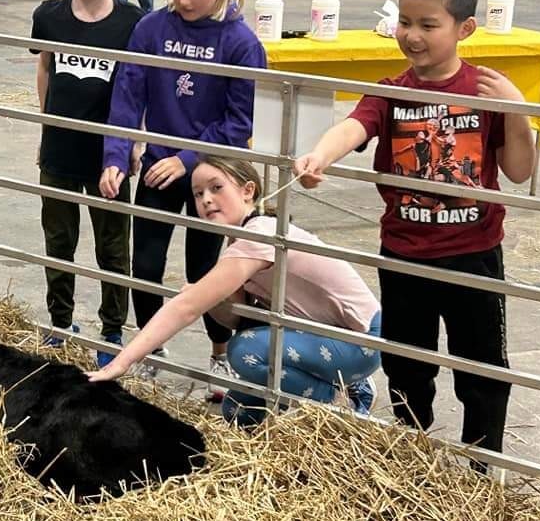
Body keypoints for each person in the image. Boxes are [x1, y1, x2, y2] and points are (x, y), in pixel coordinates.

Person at [292, 0, 536, 466]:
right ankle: (411, 453)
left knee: (482, 365)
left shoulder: (486, 91)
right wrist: (320, 155)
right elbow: (353, 127)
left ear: (465, 28)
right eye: (405, 22)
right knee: (406, 362)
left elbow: (518, 170)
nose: (412, 35)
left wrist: (516, 111)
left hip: (473, 254)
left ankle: (483, 463)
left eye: (428, 25)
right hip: (404, 253)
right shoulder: (390, 91)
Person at [98, 0, 267, 396]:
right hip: (158, 167)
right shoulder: (152, 29)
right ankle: (151, 348)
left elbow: (239, 123)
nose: (185, 0)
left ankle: (222, 353)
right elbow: (127, 97)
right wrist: (115, 155)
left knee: (206, 269)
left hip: (212, 174)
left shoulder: (241, 43)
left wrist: (188, 158)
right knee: (145, 264)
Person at [89, 157, 381, 423]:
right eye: (198, 194)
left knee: (244, 351)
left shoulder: (259, 236)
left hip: (360, 338)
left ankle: (343, 401)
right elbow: (234, 319)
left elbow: (185, 309)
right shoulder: (240, 240)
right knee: (237, 411)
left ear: (247, 191)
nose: (206, 199)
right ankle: (325, 389)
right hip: (323, 334)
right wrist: (209, 296)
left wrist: (120, 363)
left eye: (216, 188)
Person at [31, 0, 144, 367]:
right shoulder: (49, 16)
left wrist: (134, 141)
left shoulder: (134, 24)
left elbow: (140, 88)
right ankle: (61, 323)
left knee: (113, 246)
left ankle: (112, 329)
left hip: (108, 158)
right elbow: (45, 67)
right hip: (59, 150)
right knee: (58, 240)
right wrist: (45, 125)